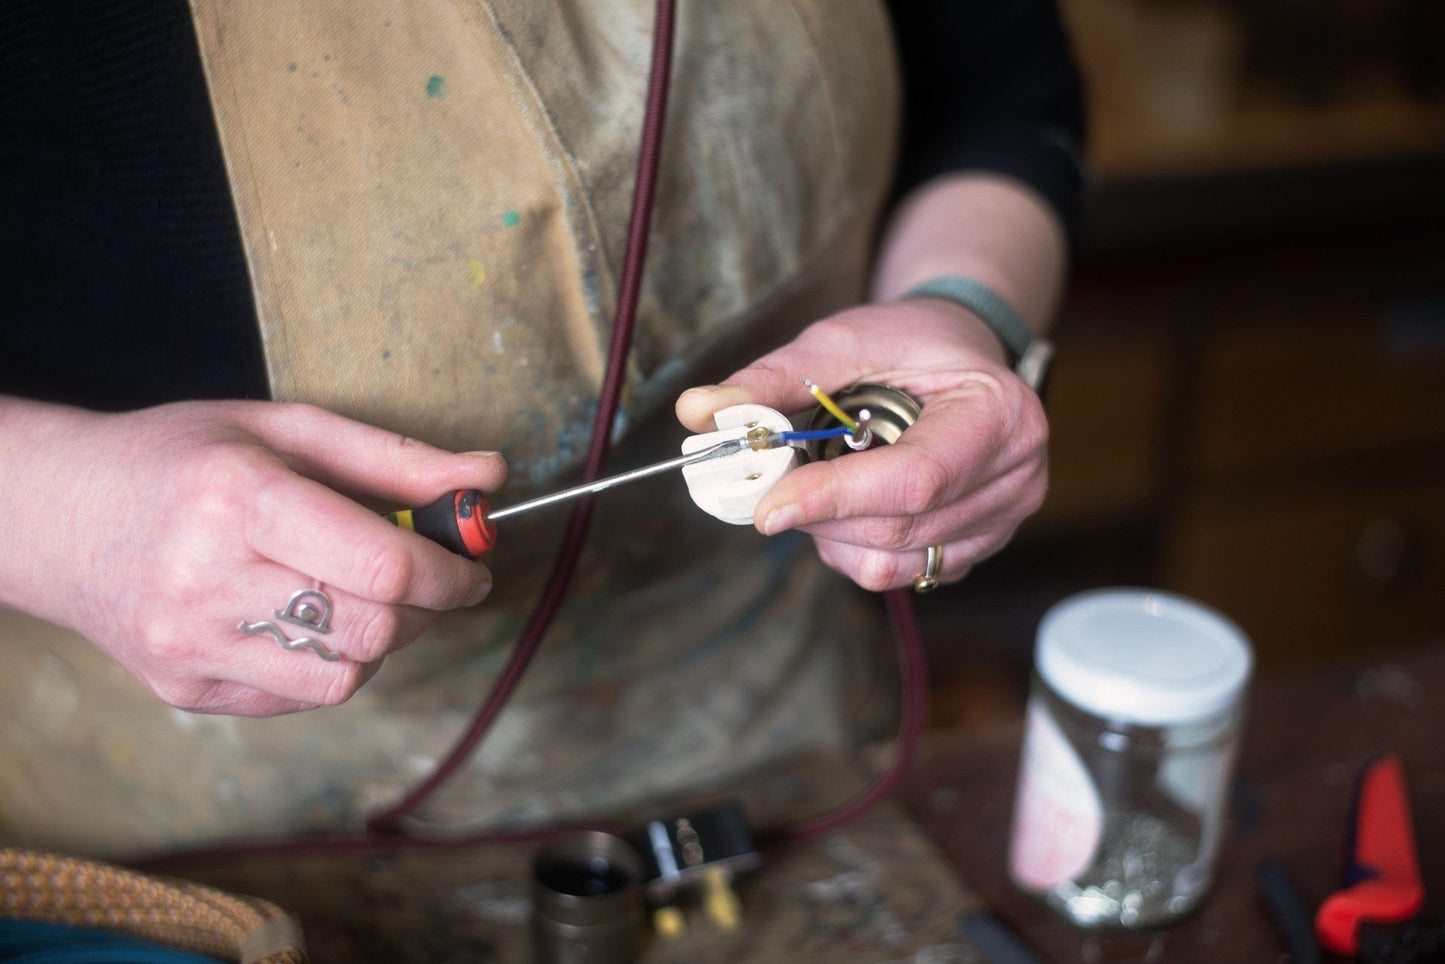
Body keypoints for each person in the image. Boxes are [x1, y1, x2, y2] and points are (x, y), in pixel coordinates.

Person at [0, 0, 1083, 853]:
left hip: (772, 736)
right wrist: (60, 508)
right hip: (194, 821)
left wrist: (965, 313)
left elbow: (997, 86)